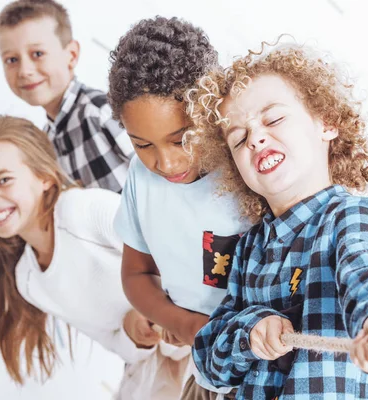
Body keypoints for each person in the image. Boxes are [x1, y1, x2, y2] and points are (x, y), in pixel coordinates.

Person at [186, 42, 368, 399]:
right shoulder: (249, 248)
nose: (256, 138)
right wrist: (249, 331)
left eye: (274, 119)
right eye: (239, 138)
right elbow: (209, 360)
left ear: (326, 123)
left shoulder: (349, 216)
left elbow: (366, 268)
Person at [0, 116, 183, 399]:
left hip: (199, 333)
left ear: (43, 177)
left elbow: (181, 259)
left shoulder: (84, 211)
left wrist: (158, 309)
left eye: (3, 180)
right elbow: (116, 343)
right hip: (160, 367)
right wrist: (134, 332)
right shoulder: (28, 281)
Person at [108, 16, 251, 399]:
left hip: (266, 372)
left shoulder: (248, 165)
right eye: (143, 144)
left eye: (181, 139)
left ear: (210, 109)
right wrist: (183, 323)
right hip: (206, 370)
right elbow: (136, 275)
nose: (166, 164)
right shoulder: (141, 179)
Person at [0, 0, 133, 191]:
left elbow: (164, 181)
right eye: (11, 60)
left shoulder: (100, 111)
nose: (24, 71)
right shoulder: (46, 143)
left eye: (37, 53)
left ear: (72, 55)